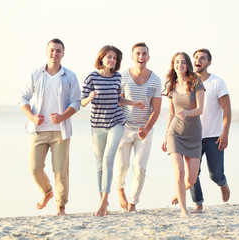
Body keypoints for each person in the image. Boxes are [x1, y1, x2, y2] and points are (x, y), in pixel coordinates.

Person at [19, 38, 81, 216]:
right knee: (34, 168)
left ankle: (61, 207)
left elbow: (76, 101)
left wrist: (62, 116)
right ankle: (47, 192)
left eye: (58, 51)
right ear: (47, 52)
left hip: (60, 132)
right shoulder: (36, 74)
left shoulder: (69, 76)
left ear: (63, 53)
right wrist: (31, 117)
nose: (55, 53)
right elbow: (23, 98)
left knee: (61, 171)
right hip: (38, 130)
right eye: (52, 50)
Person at [81, 45, 144, 217]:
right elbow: (82, 102)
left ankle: (103, 203)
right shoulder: (91, 77)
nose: (112, 60)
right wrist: (90, 97)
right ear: (101, 58)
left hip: (116, 122)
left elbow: (118, 98)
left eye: (115, 58)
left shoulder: (117, 77)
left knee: (108, 159)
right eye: (109, 57)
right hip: (97, 125)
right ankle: (104, 200)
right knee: (100, 164)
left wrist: (133, 103)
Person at [114, 42, 162, 212]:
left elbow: (156, 109)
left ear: (148, 57)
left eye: (144, 54)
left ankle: (133, 203)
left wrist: (147, 128)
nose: (141, 57)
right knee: (122, 167)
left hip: (145, 130)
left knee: (140, 167)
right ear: (132, 56)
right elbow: (117, 101)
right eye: (138, 54)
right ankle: (120, 189)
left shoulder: (155, 80)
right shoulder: (122, 77)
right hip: (124, 128)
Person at [162, 52, 205, 217]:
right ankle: (183, 210)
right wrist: (166, 135)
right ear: (173, 65)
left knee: (191, 179)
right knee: (179, 172)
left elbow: (201, 109)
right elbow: (171, 114)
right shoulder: (171, 86)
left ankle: (178, 193)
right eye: (176, 62)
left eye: (183, 62)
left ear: (187, 65)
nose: (179, 65)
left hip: (193, 135)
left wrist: (188, 113)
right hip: (175, 134)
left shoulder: (196, 82)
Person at [189, 48, 231, 213]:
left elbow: (227, 110)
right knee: (193, 174)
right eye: (196, 58)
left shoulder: (217, 82)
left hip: (214, 136)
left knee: (215, 174)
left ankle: (222, 183)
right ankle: (198, 204)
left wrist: (225, 133)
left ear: (209, 62)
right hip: (193, 136)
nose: (198, 61)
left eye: (202, 58)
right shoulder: (189, 82)